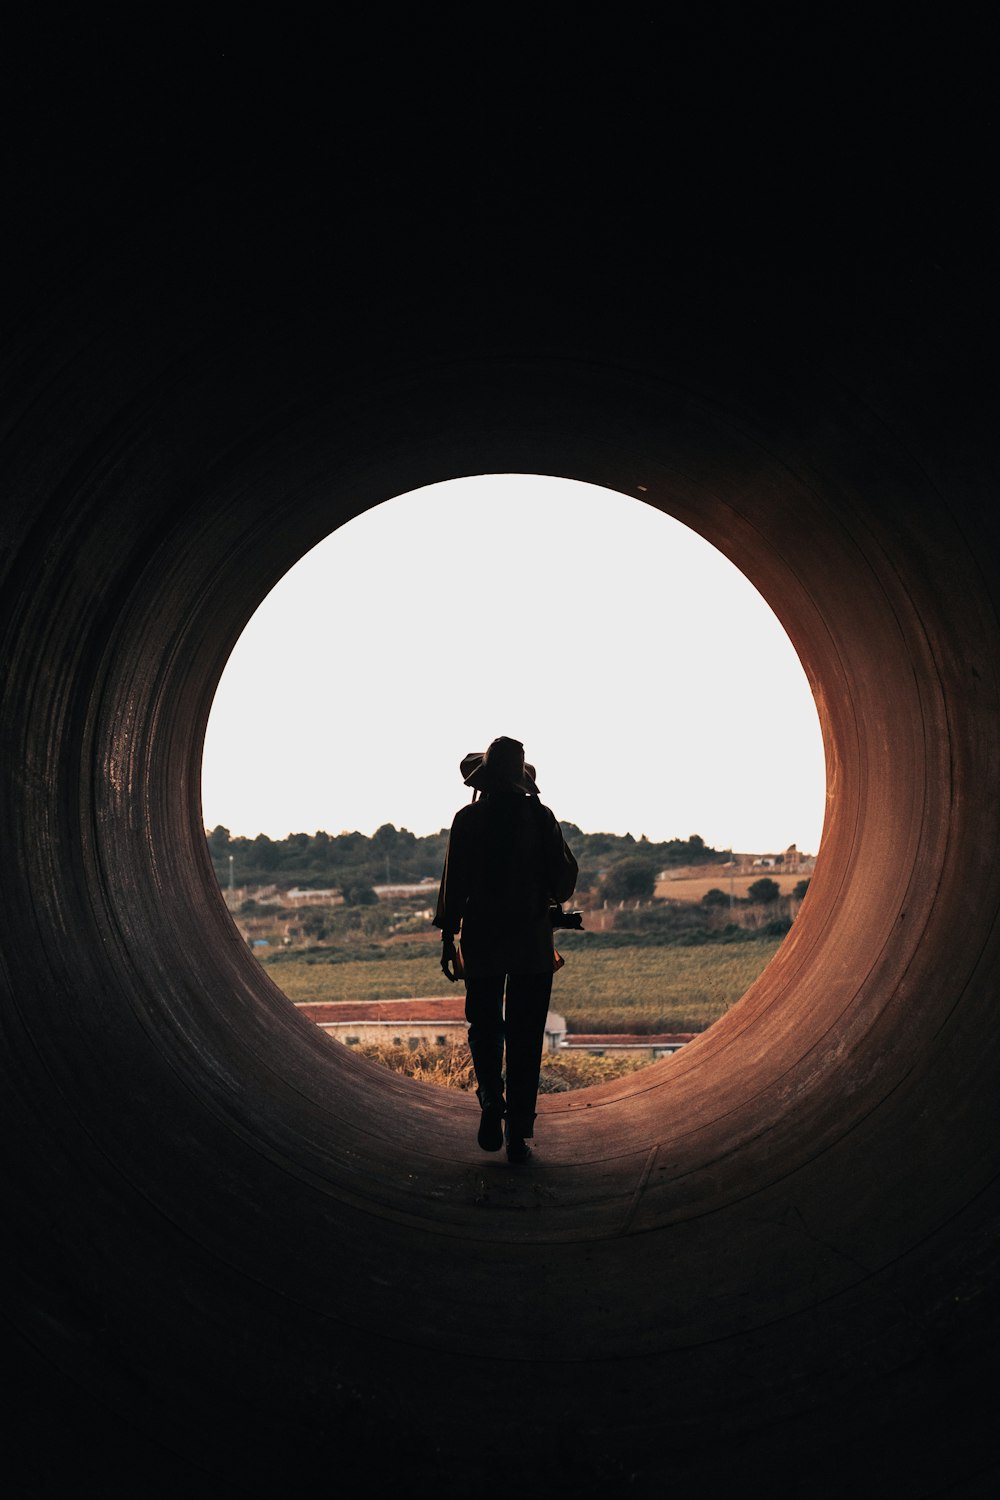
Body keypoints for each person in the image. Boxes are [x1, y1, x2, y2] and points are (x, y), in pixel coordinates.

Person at [434, 737, 578, 1163]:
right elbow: (564, 879)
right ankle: (517, 1134)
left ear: (484, 780)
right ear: (521, 778)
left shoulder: (466, 819)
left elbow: (452, 885)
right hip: (532, 943)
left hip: (480, 940)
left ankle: (490, 1102)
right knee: (525, 1033)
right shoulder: (540, 817)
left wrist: (447, 937)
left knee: (484, 1026)